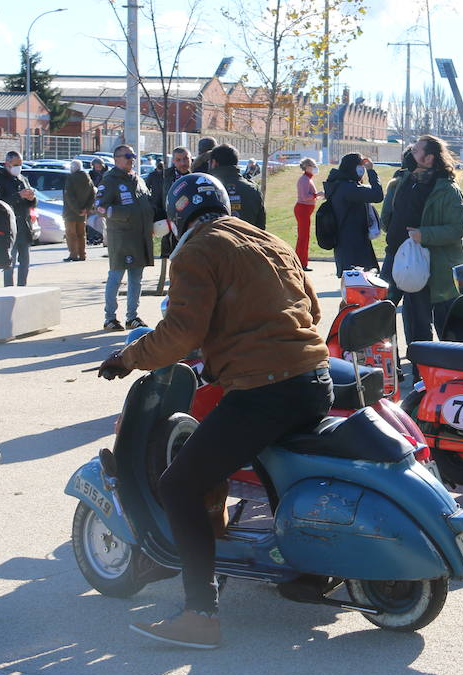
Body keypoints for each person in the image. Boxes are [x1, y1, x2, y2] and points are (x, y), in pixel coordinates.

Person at [97, 173, 331, 649]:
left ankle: (199, 614)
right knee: (275, 465)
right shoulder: (267, 238)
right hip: (315, 380)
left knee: (179, 483)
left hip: (265, 389)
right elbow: (311, 308)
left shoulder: (195, 251)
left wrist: (128, 358)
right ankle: (309, 569)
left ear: (179, 214)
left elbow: (180, 334)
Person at [386, 135, 463, 356]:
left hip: (435, 269)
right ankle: (418, 372)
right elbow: (393, 214)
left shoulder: (447, 190)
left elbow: (458, 228)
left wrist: (425, 235)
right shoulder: (405, 180)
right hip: (404, 261)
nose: (411, 153)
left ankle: (446, 370)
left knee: (441, 326)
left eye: (416, 151)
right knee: (411, 324)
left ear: (429, 158)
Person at [97, 144, 155, 331]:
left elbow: (146, 202)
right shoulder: (110, 180)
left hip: (139, 236)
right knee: (116, 277)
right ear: (117, 159)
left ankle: (132, 317)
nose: (131, 159)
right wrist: (127, 213)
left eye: (133, 155)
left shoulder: (137, 179)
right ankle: (110, 318)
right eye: (127, 156)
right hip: (121, 237)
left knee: (136, 278)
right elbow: (101, 207)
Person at [323, 152, 383, 276]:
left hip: (345, 243)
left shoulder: (338, 185)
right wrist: (371, 171)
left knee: (353, 286)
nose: (362, 168)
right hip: (354, 245)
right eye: (360, 165)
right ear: (353, 167)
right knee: (359, 287)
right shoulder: (348, 188)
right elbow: (377, 195)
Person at [0, 151, 36, 288]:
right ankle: (9, 289)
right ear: (7, 164)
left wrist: (31, 198)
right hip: (8, 227)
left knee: (25, 262)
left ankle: (23, 287)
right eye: (16, 165)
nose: (18, 167)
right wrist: (18, 195)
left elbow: (33, 203)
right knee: (9, 263)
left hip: (24, 226)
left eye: (20, 164)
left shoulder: (23, 179)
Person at [378, 148, 417, 284]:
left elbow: (386, 214)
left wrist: (390, 229)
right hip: (415, 245)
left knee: (385, 292)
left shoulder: (396, 183)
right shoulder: (429, 183)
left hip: (396, 239)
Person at [206, 144, 266, 229]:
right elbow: (261, 227)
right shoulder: (253, 189)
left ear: (214, 163)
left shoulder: (206, 189)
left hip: (214, 241)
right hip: (248, 241)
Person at [62, 158, 95, 262]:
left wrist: (77, 210)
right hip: (83, 212)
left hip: (71, 213)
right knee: (81, 234)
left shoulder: (71, 178)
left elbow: (69, 197)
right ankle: (82, 254)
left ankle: (73, 254)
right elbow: (93, 194)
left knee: (71, 235)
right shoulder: (87, 178)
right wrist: (86, 208)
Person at [293, 158, 319, 270]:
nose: (315, 167)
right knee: (303, 237)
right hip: (303, 209)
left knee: (304, 236)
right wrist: (316, 195)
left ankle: (301, 261)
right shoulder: (304, 180)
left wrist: (317, 196)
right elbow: (304, 197)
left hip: (305, 210)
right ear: (307, 166)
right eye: (313, 165)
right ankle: (301, 263)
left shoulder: (307, 179)